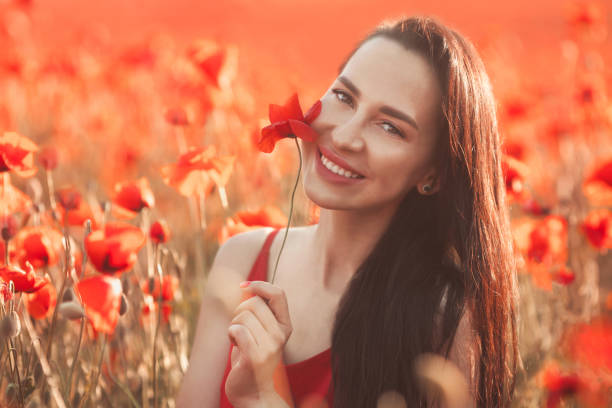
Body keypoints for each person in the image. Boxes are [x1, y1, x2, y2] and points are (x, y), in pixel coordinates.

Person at [177, 15, 521, 408]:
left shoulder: (445, 320)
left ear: (433, 174)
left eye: (390, 127)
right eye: (344, 97)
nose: (343, 136)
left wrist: (263, 399)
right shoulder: (239, 260)